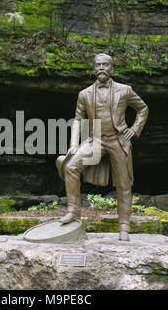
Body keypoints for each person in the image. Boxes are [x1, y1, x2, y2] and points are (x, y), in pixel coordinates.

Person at [56, 53, 149, 241]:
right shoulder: (84, 94)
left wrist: (134, 129)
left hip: (118, 140)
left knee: (124, 184)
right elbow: (77, 119)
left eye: (105, 65)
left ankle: (124, 227)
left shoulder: (125, 90)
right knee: (70, 166)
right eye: (98, 65)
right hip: (95, 141)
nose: (101, 68)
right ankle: (73, 211)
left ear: (112, 68)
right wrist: (74, 144)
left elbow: (143, 109)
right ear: (93, 68)